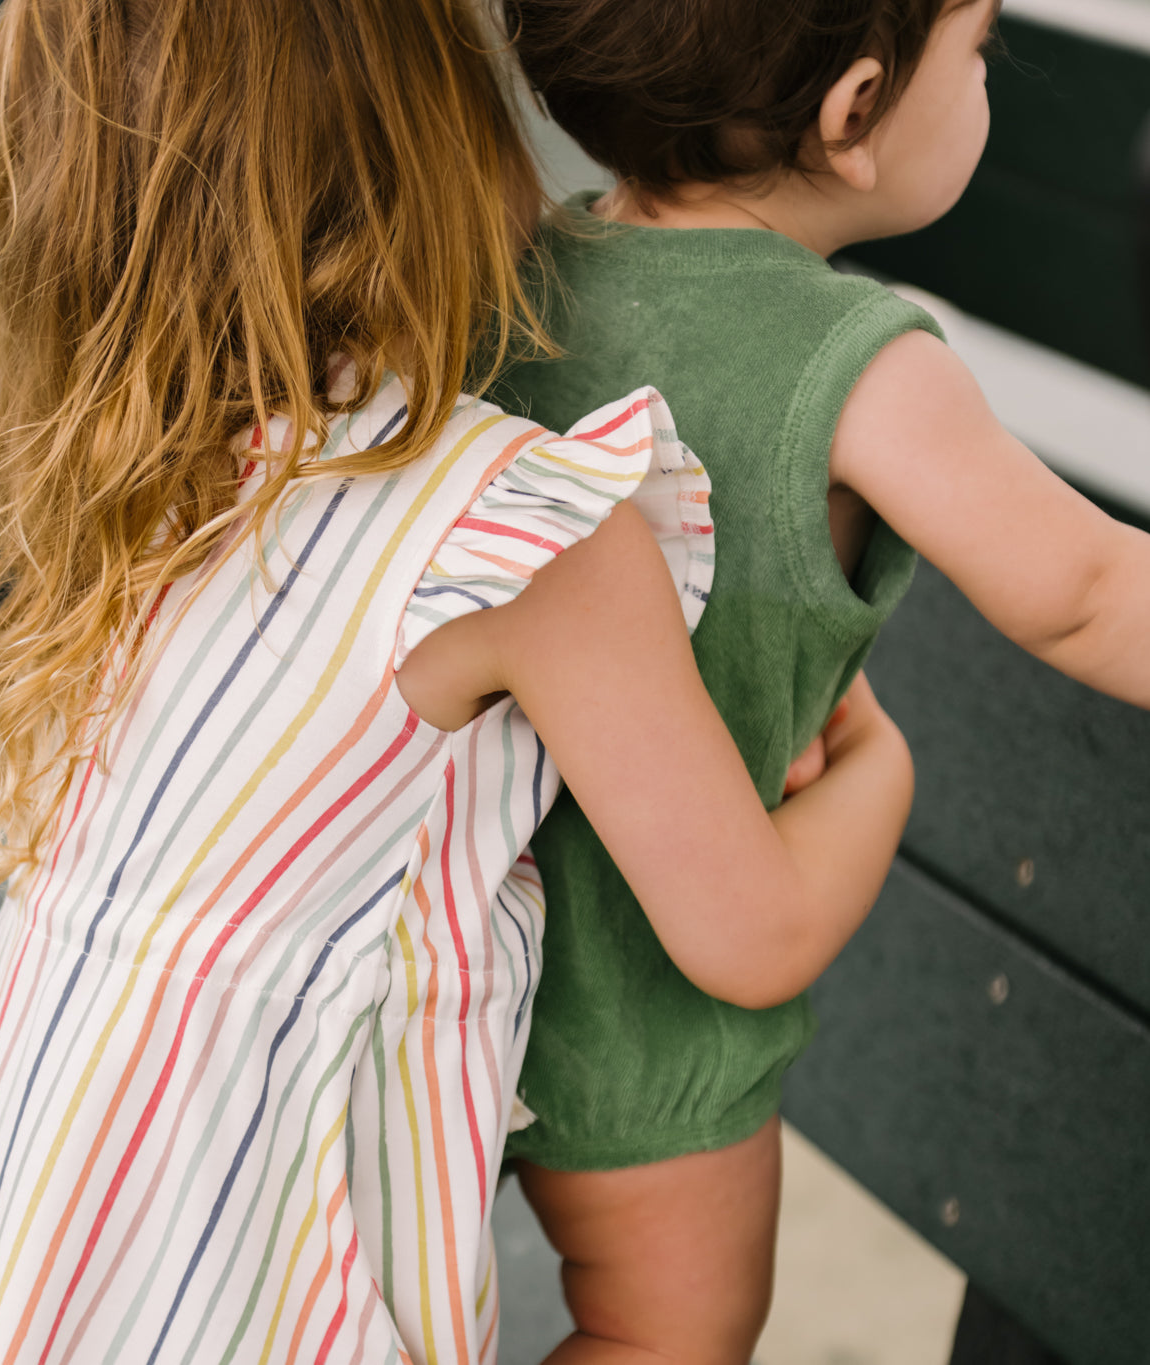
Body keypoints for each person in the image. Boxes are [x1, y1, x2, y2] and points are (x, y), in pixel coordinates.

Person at [0, 1, 916, 1363]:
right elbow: (746, 932)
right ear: (446, 154)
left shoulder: (145, 480)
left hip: (2, 1224)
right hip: (229, 1264)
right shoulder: (518, 533)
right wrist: (881, 767)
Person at [492, 0, 1150, 1360]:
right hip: (643, 1028)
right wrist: (885, 771)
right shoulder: (857, 363)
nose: (987, 82)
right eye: (978, 53)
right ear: (852, 114)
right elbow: (1084, 591)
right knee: (666, 1330)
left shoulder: (518, 270)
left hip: (455, 961)